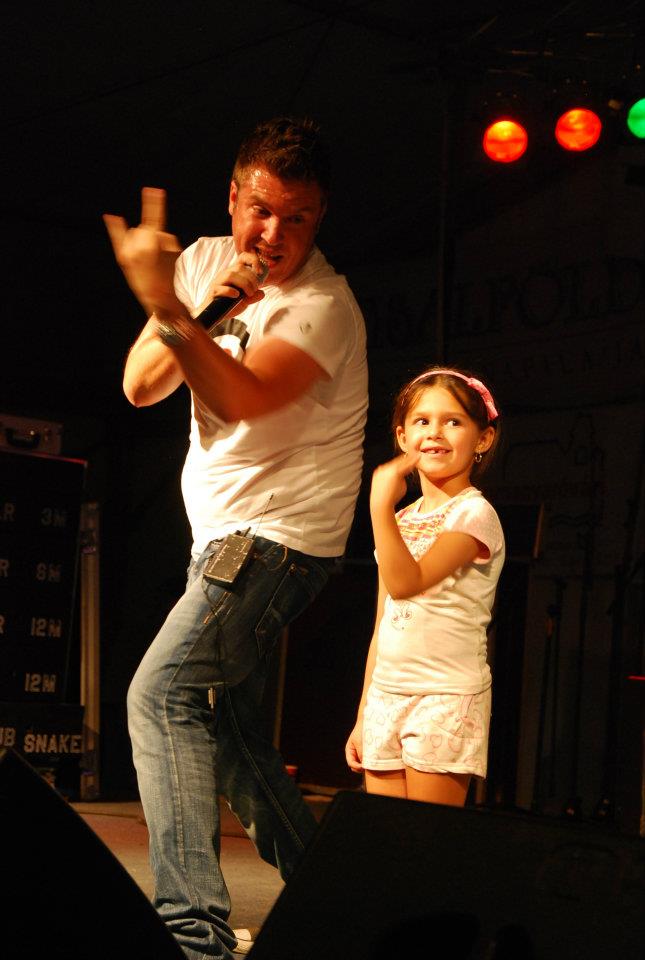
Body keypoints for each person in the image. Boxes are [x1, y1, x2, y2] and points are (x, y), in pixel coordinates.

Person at [103, 117, 368, 959]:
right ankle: (347, 914)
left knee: (161, 696)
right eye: (261, 210)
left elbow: (241, 399)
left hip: (279, 541)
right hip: (218, 540)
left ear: (319, 217)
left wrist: (168, 310)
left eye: (297, 218)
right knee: (226, 733)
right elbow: (140, 387)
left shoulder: (323, 306)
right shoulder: (204, 264)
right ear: (232, 197)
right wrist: (185, 304)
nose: (273, 235)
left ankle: (194, 939)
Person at [345, 367, 504, 807]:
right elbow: (384, 621)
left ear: (483, 438)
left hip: (445, 698)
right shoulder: (401, 519)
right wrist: (364, 712)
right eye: (422, 421)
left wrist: (378, 502)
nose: (435, 432)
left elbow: (406, 583)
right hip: (386, 696)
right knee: (385, 839)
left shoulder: (474, 515)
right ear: (402, 436)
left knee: (424, 839)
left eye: (453, 421)